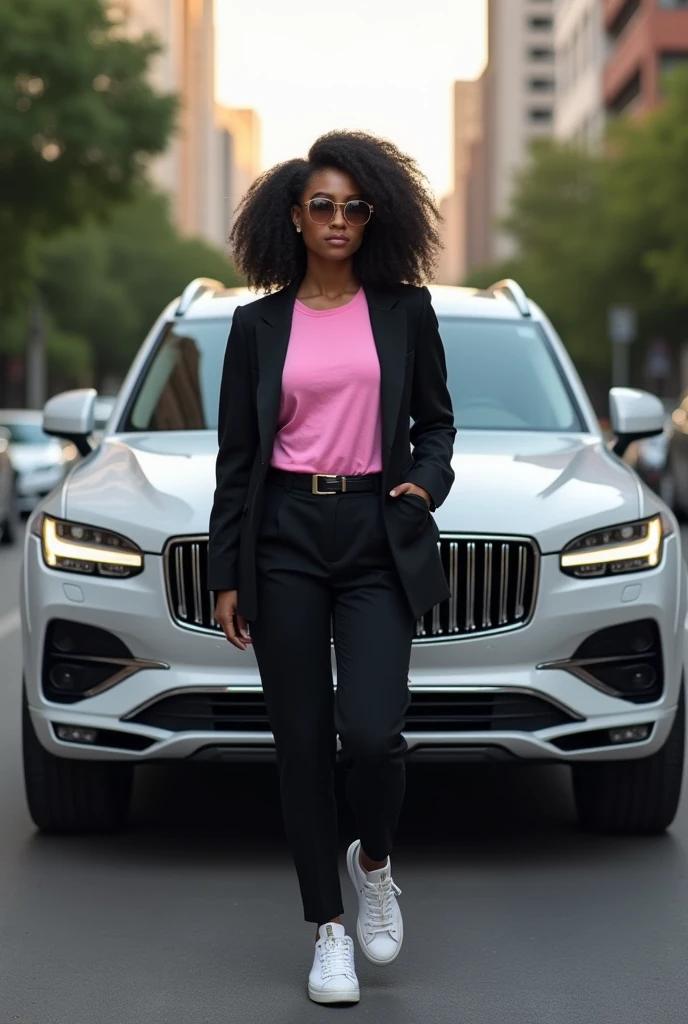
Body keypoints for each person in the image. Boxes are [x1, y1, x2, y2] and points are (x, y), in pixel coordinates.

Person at [207, 130, 456, 1005]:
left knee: (377, 735)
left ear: (373, 214)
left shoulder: (405, 311)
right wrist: (225, 573)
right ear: (294, 217)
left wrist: (421, 488)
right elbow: (236, 459)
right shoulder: (255, 326)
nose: (340, 219)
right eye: (323, 205)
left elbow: (437, 428)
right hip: (283, 535)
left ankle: (375, 863)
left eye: (355, 205)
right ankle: (329, 930)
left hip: (377, 533)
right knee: (303, 744)